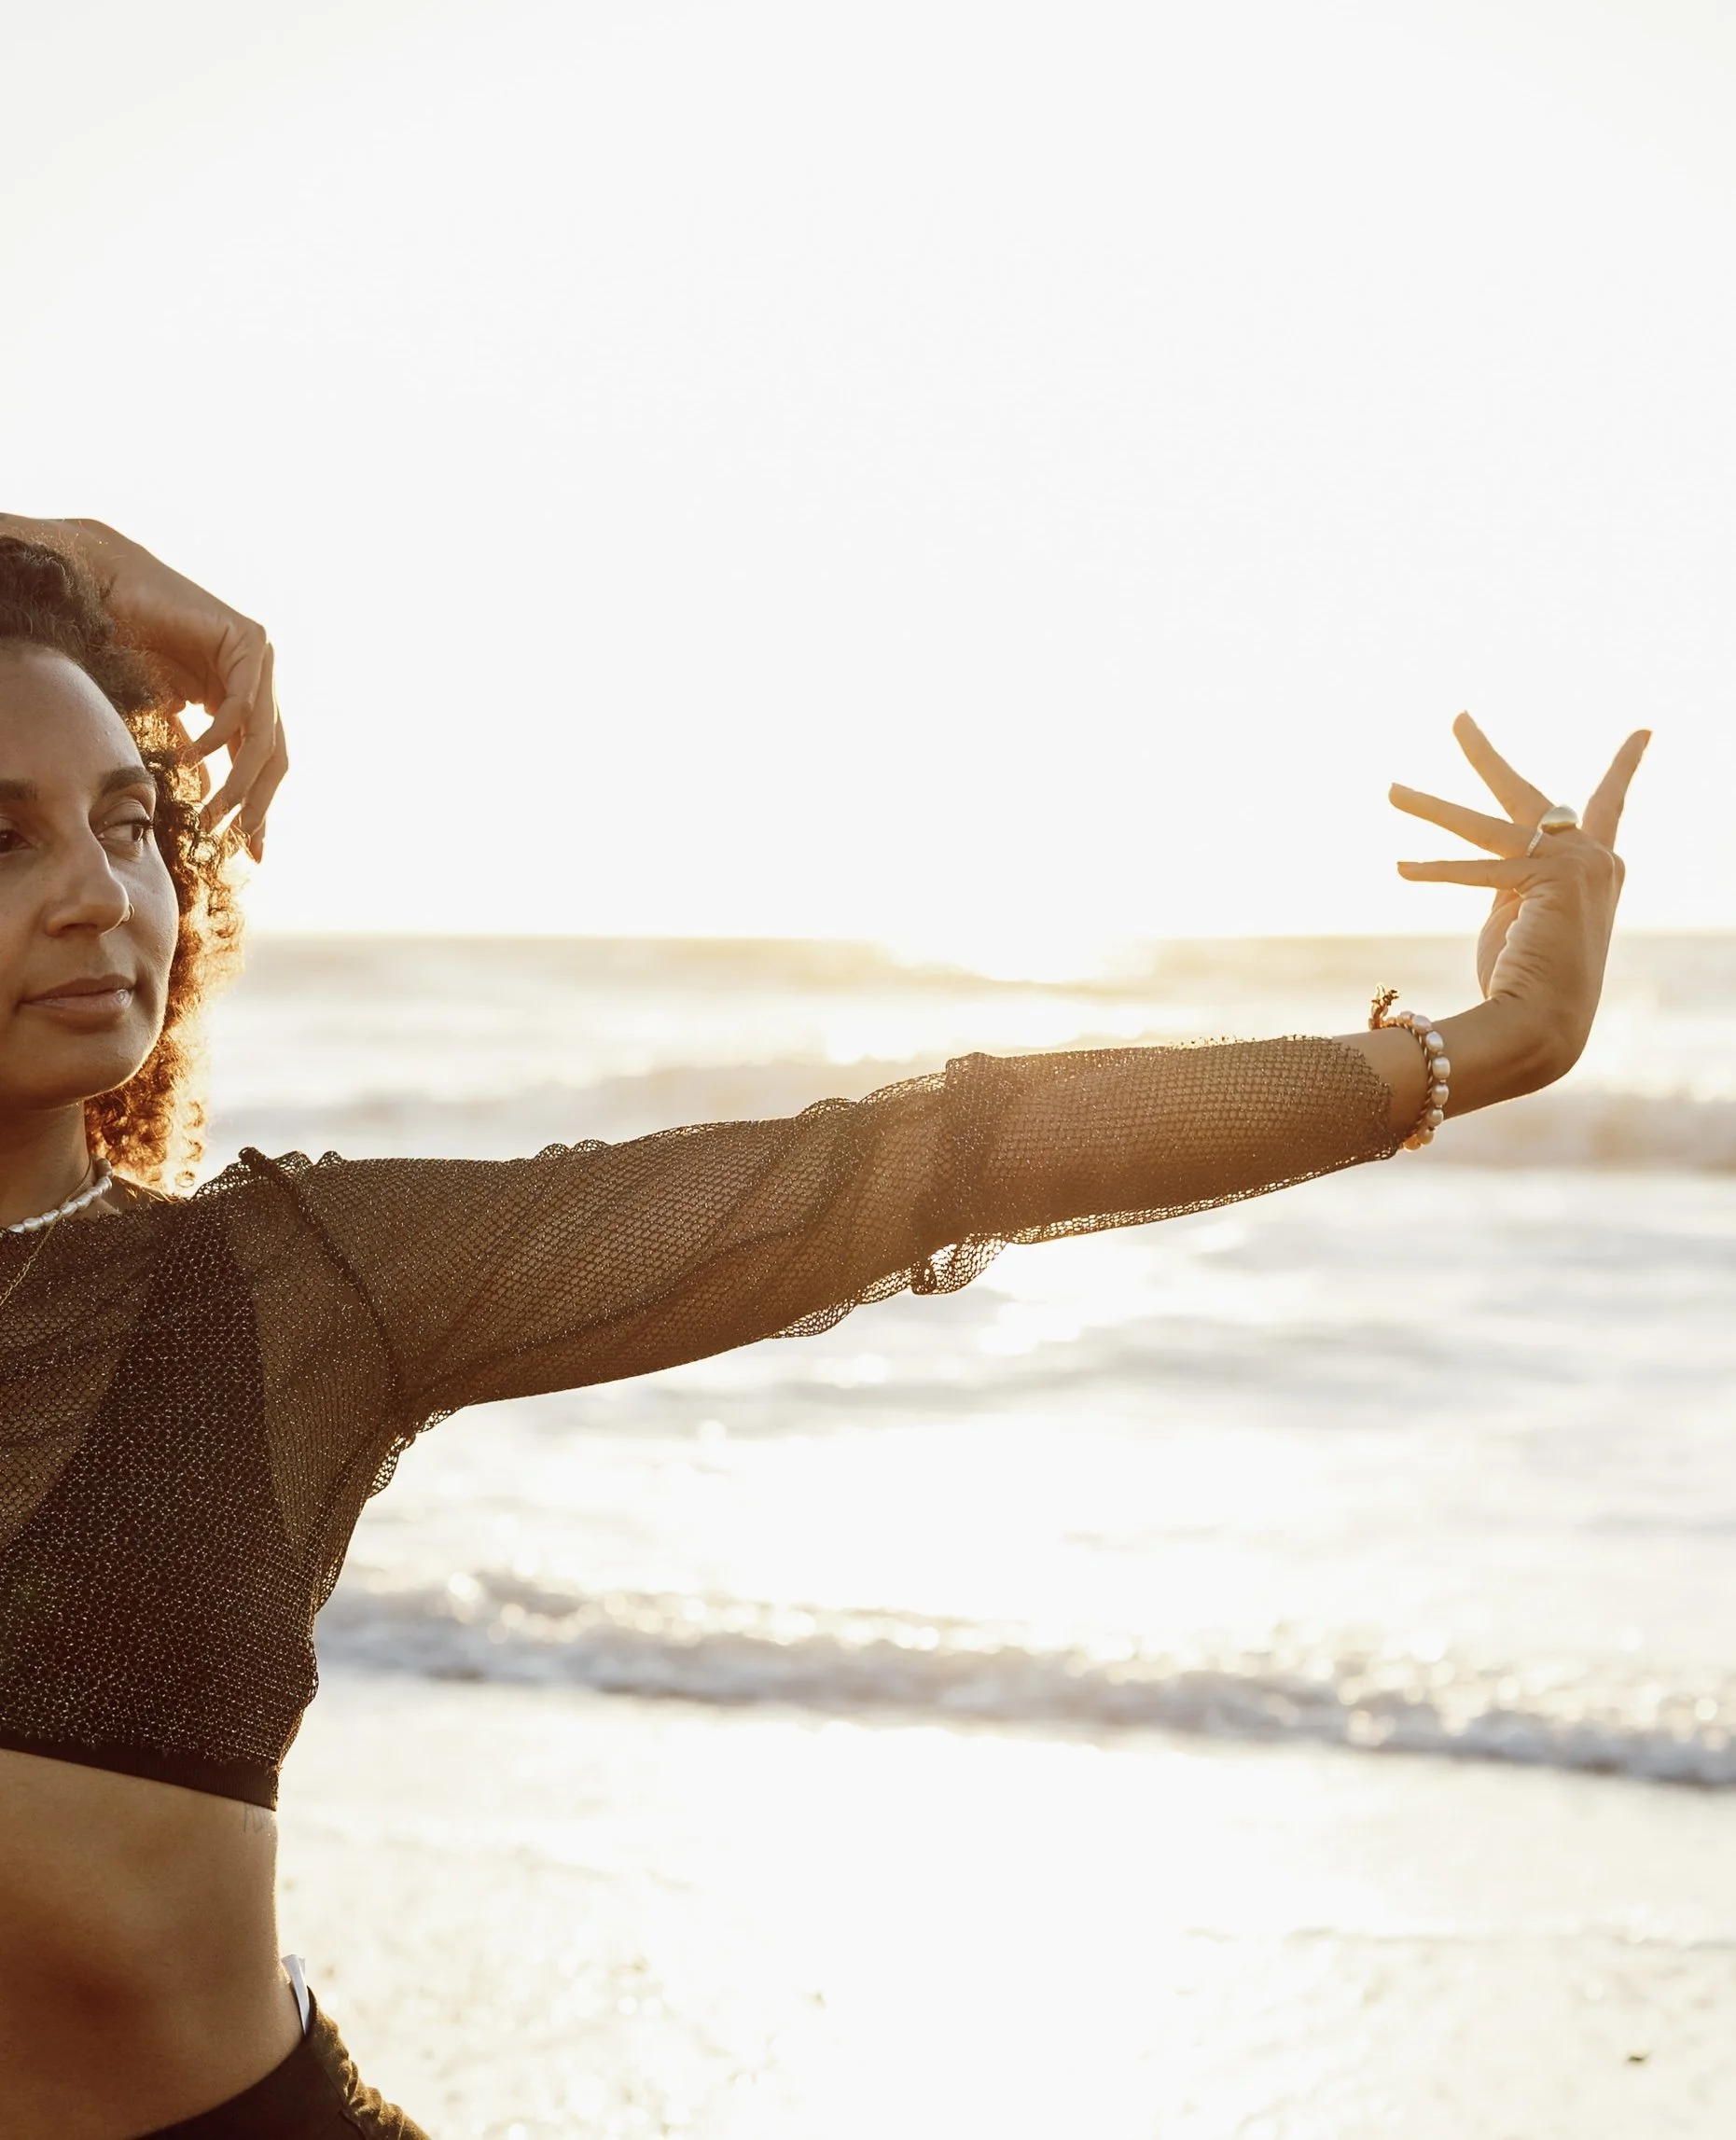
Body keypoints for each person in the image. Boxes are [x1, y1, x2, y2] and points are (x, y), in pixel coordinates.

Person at [0, 517, 1645, 2140]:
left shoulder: (286, 1287)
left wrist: (1482, 1046)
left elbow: (921, 1164)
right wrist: (65, 552)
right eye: (4, 837)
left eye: (130, 820)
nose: (97, 891)